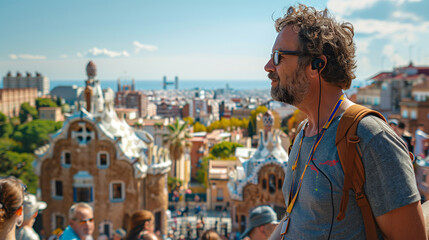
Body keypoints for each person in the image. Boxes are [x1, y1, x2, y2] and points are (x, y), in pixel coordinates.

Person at [265, 4, 425, 239]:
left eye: (278, 57)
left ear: (315, 65)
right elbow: (293, 218)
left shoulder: (370, 138)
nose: (268, 67)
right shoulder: (302, 134)